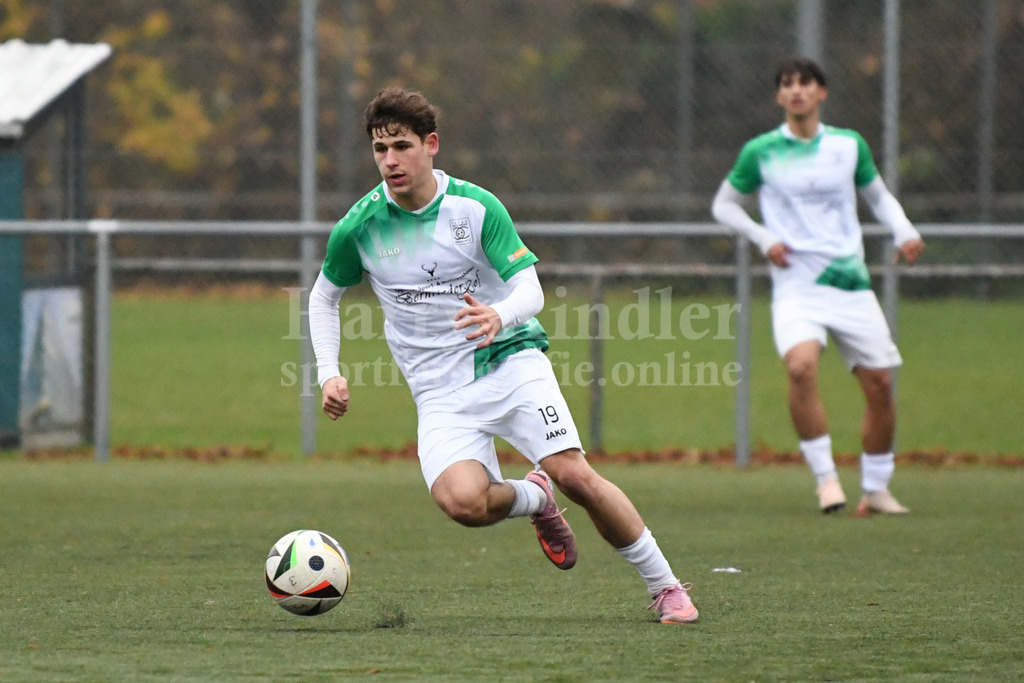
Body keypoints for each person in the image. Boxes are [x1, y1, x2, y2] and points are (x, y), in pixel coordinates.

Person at [308, 87, 697, 623]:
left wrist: (499, 316)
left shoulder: (475, 207)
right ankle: (534, 499)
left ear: (432, 145)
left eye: (402, 145)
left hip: (509, 360)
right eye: (380, 150)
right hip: (438, 389)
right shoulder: (361, 226)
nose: (390, 160)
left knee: (575, 475)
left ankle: (667, 586)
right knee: (462, 504)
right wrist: (329, 373)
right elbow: (323, 297)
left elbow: (531, 291)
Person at [711, 57, 925, 516]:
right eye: (787, 84)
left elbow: (878, 196)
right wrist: (765, 239)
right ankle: (826, 479)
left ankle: (876, 488)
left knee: (881, 385)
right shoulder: (761, 151)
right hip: (796, 285)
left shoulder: (848, 146)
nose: (796, 91)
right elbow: (724, 205)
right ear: (779, 96)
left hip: (849, 283)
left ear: (821, 92)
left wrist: (904, 231)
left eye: (805, 83)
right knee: (801, 368)